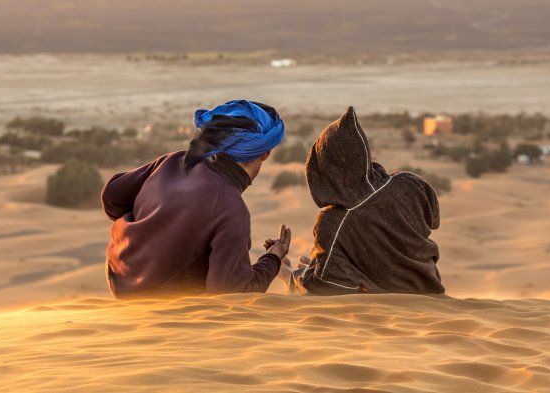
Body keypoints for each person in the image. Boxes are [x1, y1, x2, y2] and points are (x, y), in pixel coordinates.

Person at [101, 100, 291, 298]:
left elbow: (111, 197)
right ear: (265, 153)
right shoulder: (231, 208)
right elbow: (231, 294)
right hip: (162, 309)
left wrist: (151, 224)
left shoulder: (174, 161)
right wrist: (273, 258)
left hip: (119, 280)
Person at [283, 107, 444, 295]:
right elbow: (434, 221)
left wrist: (290, 274)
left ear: (322, 170)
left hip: (390, 312)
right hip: (432, 291)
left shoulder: (333, 223)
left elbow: (327, 286)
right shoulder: (409, 183)